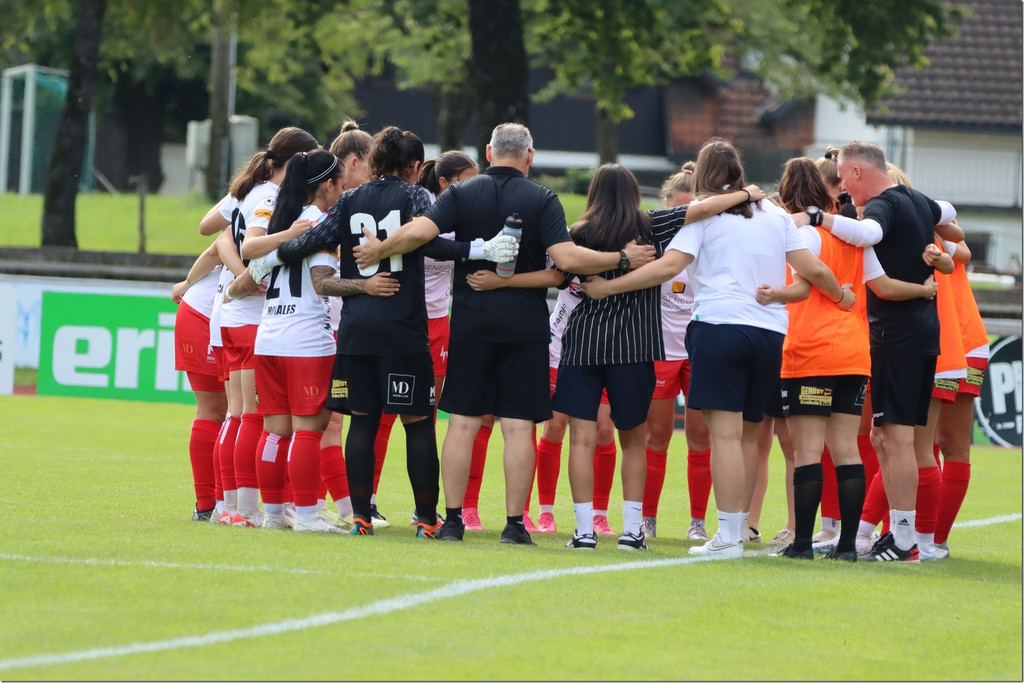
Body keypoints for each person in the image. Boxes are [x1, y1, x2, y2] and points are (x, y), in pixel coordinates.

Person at [347, 122, 657, 545]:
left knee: (462, 423)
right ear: (530, 156)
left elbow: (420, 232)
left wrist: (380, 249)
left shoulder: (461, 192)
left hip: (470, 322)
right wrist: (621, 258)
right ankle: (514, 525)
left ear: (489, 152)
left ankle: (452, 521)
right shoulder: (542, 197)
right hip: (523, 326)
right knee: (517, 426)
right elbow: (567, 259)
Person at [582, 138, 847, 560]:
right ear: (738, 171)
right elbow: (812, 269)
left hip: (719, 327)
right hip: (769, 335)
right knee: (749, 438)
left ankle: (727, 537)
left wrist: (608, 288)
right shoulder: (776, 215)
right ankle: (739, 531)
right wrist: (842, 296)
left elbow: (668, 268)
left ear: (703, 175)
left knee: (724, 436)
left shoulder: (703, 215)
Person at [246, 126, 516, 538]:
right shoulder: (415, 196)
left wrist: (271, 258)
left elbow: (314, 239)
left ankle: (360, 517)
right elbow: (431, 243)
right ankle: (426, 518)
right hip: (401, 327)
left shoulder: (350, 199)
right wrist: (481, 249)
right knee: (418, 422)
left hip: (356, 330)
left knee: (362, 422)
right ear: (413, 166)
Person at [557, 163, 763, 551]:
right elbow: (703, 208)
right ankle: (632, 531)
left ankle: (584, 532)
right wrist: (746, 193)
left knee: (581, 441)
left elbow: (562, 266)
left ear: (594, 192)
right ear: (634, 192)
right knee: (634, 442)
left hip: (583, 344)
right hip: (635, 347)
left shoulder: (578, 232)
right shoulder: (650, 224)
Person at [757, 156, 938, 561]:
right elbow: (882, 284)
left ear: (787, 195)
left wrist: (776, 295)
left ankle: (801, 545)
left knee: (808, 451)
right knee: (847, 450)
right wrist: (924, 290)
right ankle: (847, 547)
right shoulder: (857, 240)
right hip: (854, 354)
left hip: (810, 351)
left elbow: (807, 285)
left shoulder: (803, 235)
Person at [791, 140, 962, 562]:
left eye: (844, 181)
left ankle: (904, 541)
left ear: (856, 172)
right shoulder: (916, 199)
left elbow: (870, 234)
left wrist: (818, 217)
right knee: (882, 436)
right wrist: (941, 254)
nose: (844, 192)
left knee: (897, 438)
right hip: (915, 334)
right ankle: (898, 536)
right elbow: (949, 212)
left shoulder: (885, 204)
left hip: (899, 336)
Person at [170, 241, 227, 522]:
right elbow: (216, 243)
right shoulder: (262, 215)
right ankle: (207, 505)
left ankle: (228, 504)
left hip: (231, 314)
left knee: (236, 412)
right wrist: (187, 283)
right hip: (206, 313)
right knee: (216, 409)